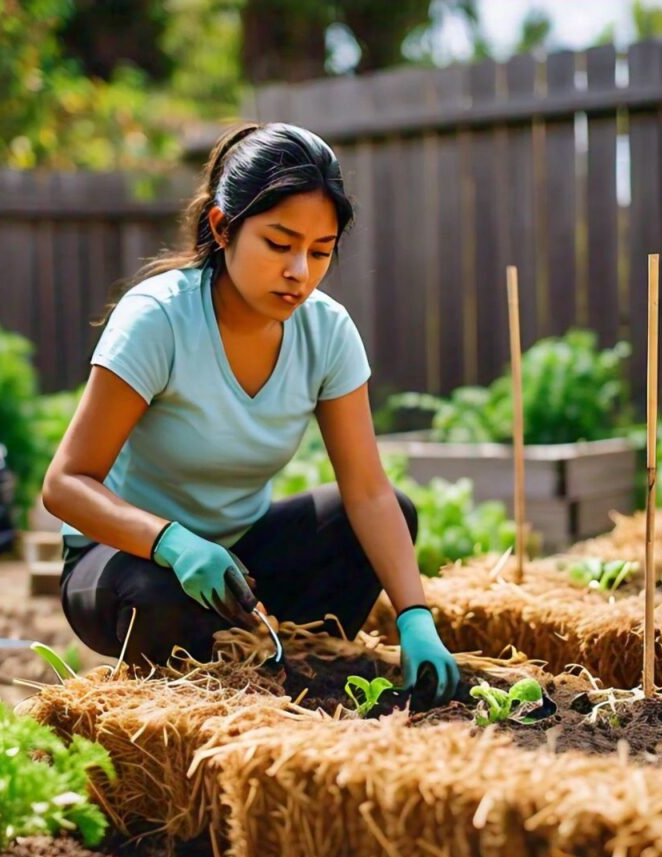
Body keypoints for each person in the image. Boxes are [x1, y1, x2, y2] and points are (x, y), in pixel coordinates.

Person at [42, 122, 461, 705]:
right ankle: (200, 688)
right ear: (222, 226)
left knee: (382, 517)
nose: (299, 272)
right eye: (279, 243)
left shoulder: (327, 331)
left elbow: (367, 491)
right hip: (128, 558)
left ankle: (297, 679)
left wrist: (415, 616)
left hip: (243, 560)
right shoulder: (159, 320)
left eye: (320, 251)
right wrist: (173, 543)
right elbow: (65, 484)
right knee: (155, 596)